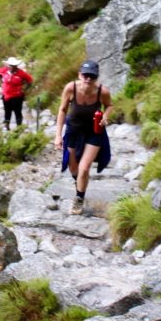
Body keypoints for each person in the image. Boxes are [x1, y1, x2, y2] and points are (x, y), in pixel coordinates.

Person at [54, 60, 113, 215]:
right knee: (73, 167)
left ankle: (79, 198)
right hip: (73, 130)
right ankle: (80, 183)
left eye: (92, 76)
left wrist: (105, 116)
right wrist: (58, 135)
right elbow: (62, 110)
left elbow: (109, 105)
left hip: (94, 131)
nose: (88, 79)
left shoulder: (103, 92)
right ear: (80, 75)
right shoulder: (70, 88)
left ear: (96, 78)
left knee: (84, 167)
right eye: (85, 75)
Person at [0, 56, 33, 130]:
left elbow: (30, 80)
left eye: (14, 66)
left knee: (17, 112)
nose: (12, 67)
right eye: (11, 66)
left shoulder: (21, 73)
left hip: (17, 97)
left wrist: (24, 89)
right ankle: (7, 126)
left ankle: (19, 127)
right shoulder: (4, 71)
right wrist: (1, 82)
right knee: (7, 111)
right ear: (9, 65)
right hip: (6, 96)